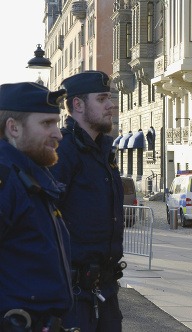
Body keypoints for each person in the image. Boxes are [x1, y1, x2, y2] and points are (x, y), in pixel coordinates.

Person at [49, 71, 125, 331]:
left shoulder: (104, 149)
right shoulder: (63, 150)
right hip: (73, 294)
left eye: (110, 98)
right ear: (78, 105)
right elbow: (46, 219)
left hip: (105, 288)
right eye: (102, 99)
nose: (111, 105)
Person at [0, 82, 73, 331]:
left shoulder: (30, 176)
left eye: (57, 122)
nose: (58, 133)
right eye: (46, 124)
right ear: (14, 128)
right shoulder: (6, 178)